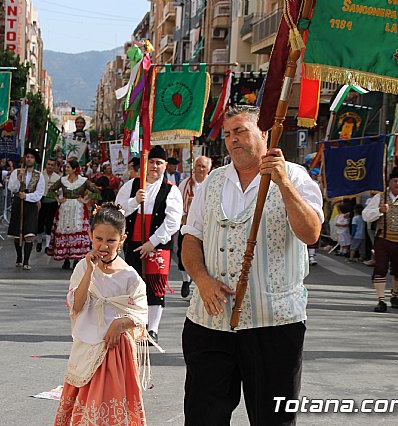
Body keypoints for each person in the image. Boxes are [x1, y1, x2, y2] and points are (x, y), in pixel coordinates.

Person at [180, 105, 323, 425]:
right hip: (210, 323)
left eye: (241, 131)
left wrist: (283, 184)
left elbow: (311, 234)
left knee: (273, 420)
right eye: (228, 134)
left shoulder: (297, 176)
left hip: (273, 325)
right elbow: (191, 238)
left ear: (265, 133)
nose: (233, 140)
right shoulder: (213, 181)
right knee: (203, 416)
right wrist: (201, 279)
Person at [54, 203, 148, 425]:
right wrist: (89, 270)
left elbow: (141, 313)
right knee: (84, 399)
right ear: (90, 235)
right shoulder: (82, 268)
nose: (103, 246)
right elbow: (77, 306)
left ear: (122, 240)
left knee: (108, 400)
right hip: (87, 345)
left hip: (116, 349)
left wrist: (120, 323)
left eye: (111, 240)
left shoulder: (129, 276)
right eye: (98, 239)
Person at [116, 145, 183, 344]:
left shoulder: (171, 190)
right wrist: (134, 202)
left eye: (159, 163)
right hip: (133, 243)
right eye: (152, 162)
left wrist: (152, 242)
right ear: (145, 164)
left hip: (157, 244)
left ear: (165, 166)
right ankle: (136, 324)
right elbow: (117, 212)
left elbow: (173, 221)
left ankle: (152, 328)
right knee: (134, 285)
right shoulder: (131, 186)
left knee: (155, 285)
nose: (155, 166)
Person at [362, 167, 398, 312]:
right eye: (394, 181)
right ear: (389, 182)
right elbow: (365, 216)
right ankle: (381, 300)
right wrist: (379, 211)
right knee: (380, 268)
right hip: (383, 239)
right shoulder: (380, 197)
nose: (397, 184)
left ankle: (395, 295)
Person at [48, 159, 100, 270]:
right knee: (65, 231)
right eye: (65, 167)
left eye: (68, 167)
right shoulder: (62, 180)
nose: (65, 169)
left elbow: (96, 191)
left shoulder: (83, 181)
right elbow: (51, 190)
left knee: (78, 232)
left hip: (78, 208)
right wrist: (59, 199)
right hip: (65, 208)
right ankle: (66, 259)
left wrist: (85, 200)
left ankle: (77, 259)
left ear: (74, 169)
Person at [177, 156, 211, 298]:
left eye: (203, 166)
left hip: (207, 228)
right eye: (198, 166)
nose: (200, 169)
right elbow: (177, 204)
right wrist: (184, 214)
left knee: (204, 259)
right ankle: (186, 280)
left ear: (208, 168)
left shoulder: (212, 183)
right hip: (187, 226)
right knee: (182, 256)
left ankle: (200, 286)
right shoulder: (185, 184)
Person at [7, 148, 45, 270]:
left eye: (31, 157)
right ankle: (19, 256)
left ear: (34, 160)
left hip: (31, 205)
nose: (29, 159)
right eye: (27, 157)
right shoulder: (16, 172)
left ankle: (26, 260)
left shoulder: (39, 175)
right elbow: (11, 188)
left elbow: (39, 193)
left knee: (29, 233)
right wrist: (19, 177)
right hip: (18, 203)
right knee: (18, 234)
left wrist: (27, 196)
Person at [37, 158, 60, 253]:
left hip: (52, 202)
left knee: (49, 223)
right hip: (41, 201)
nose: (50, 166)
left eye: (52, 165)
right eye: (48, 164)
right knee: (40, 222)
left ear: (54, 166)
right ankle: (39, 241)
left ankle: (47, 245)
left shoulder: (57, 177)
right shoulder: (40, 175)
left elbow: (59, 191)